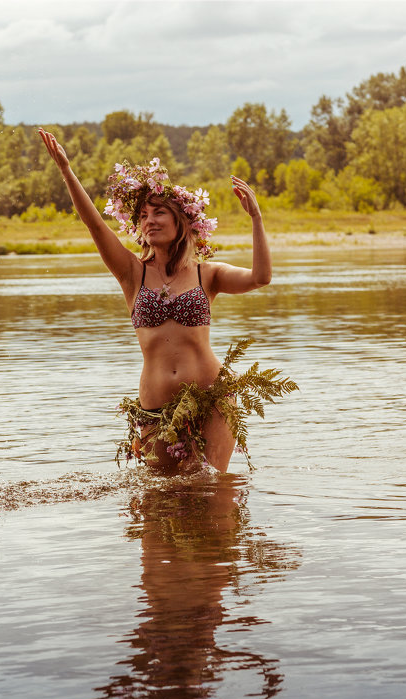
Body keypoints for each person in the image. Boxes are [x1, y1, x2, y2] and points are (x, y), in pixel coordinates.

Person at [38, 128, 295, 473]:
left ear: (182, 221)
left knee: (211, 490)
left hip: (213, 400)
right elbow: (95, 225)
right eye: (143, 216)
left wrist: (256, 218)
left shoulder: (209, 275)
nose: (149, 221)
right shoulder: (132, 273)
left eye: (158, 213)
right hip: (155, 409)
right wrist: (67, 171)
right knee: (159, 511)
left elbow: (260, 277)